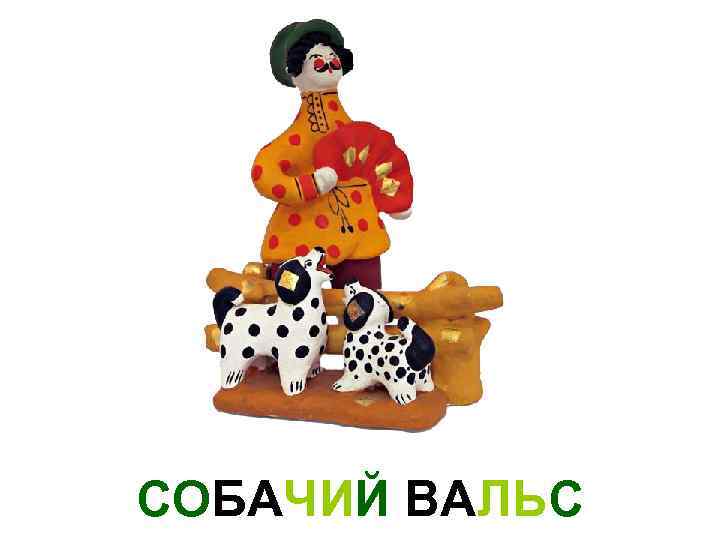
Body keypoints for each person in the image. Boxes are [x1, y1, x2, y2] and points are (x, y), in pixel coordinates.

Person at [250, 20, 412, 289]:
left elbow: (376, 159)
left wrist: (394, 198)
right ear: (294, 71)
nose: (327, 62)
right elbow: (263, 172)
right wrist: (308, 185)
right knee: (291, 294)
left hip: (360, 237)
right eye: (316, 58)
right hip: (301, 240)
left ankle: (368, 313)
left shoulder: (354, 133)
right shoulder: (295, 139)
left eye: (332, 56)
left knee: (367, 297)